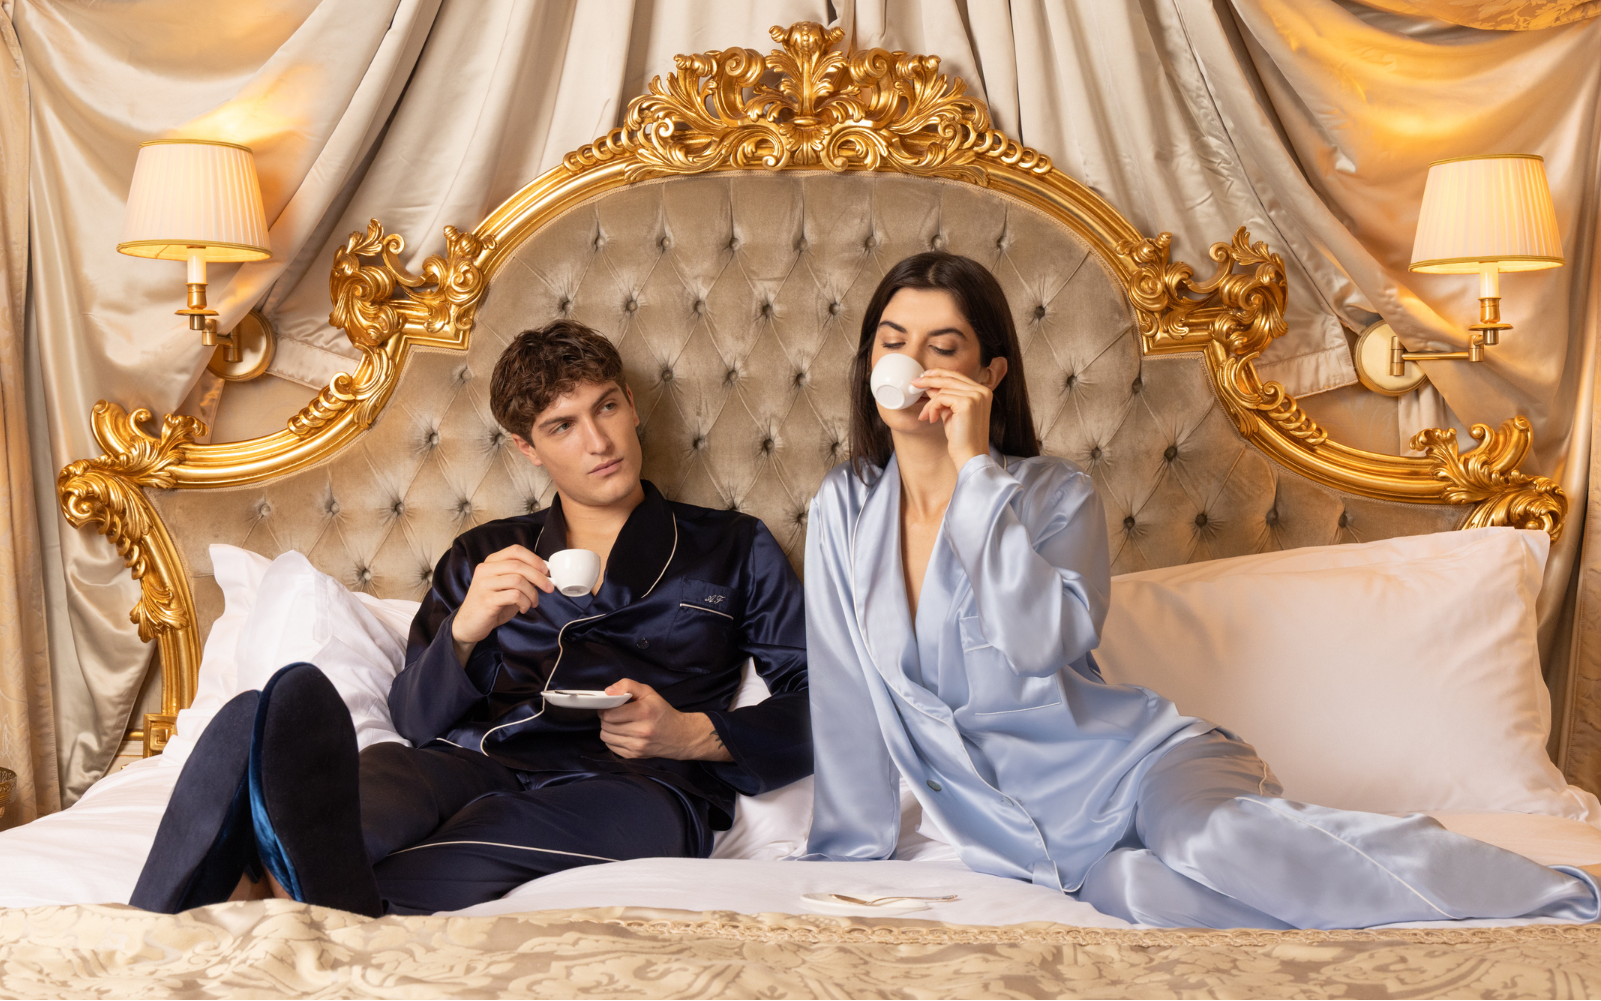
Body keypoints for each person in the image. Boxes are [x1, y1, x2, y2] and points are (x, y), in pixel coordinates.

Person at [800, 251, 1600, 929]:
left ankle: (1560, 891)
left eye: (945, 346)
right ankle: (1398, 907)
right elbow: (844, 697)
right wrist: (841, 858)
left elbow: (1038, 642)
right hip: (1037, 841)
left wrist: (972, 473)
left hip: (1142, 765)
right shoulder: (843, 509)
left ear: (990, 373)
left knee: (1211, 844)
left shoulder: (1052, 496)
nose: (912, 363)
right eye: (892, 342)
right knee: (1142, 892)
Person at [133, 321, 811, 916]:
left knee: (504, 836)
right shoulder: (484, 555)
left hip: (638, 786)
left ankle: (273, 880)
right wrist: (462, 632)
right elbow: (411, 718)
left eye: (606, 406)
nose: (598, 440)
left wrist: (693, 734)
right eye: (562, 425)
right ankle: (265, 834)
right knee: (373, 791)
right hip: (473, 758)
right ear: (527, 447)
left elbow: (820, 705)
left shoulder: (733, 546)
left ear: (632, 405)